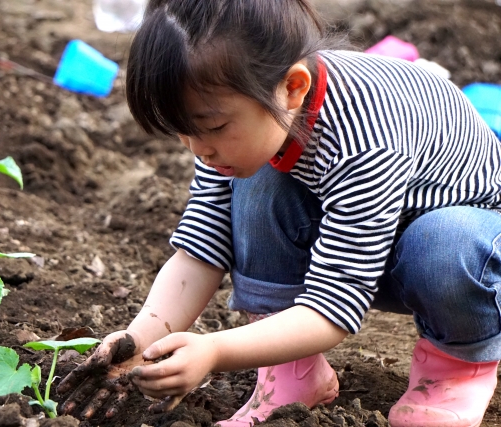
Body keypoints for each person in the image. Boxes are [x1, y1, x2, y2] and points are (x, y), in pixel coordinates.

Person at [57, 0, 501, 426]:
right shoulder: (238, 118)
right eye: (183, 132)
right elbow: (203, 244)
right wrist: (140, 338)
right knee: (253, 182)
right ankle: (293, 372)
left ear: (292, 87)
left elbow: (334, 306)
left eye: (212, 128)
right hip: (360, 237)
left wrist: (213, 351)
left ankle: (458, 364)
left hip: (465, 252)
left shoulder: (367, 138)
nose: (199, 149)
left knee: (444, 243)